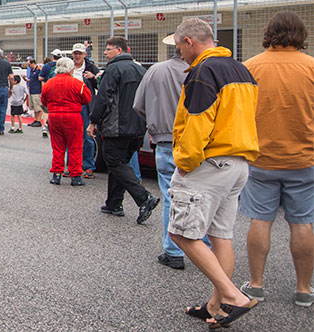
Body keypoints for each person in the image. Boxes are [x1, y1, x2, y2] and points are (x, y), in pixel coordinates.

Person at [168, 18, 260, 329]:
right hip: (238, 162)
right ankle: (217, 305)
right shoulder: (240, 69)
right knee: (221, 235)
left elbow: (198, 121)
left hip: (210, 163)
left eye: (179, 46)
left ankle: (233, 296)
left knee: (180, 232)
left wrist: (185, 160)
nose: (180, 53)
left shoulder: (203, 72)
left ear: (190, 42)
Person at [240, 11, 314, 308]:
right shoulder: (311, 67)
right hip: (304, 158)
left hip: (261, 158)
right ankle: (304, 289)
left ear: (268, 32)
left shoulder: (250, 67)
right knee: (303, 223)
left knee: (260, 219)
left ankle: (256, 285)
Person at [132, 34, 208, 270]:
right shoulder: (205, 71)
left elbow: (138, 105)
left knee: (170, 195)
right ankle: (204, 249)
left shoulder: (156, 70)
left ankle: (173, 250)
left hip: (165, 140)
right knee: (204, 196)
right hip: (200, 142)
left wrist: (156, 125)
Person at [87, 37, 158, 224]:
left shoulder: (113, 69)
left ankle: (143, 198)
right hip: (137, 125)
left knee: (115, 162)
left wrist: (93, 120)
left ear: (119, 50)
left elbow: (104, 96)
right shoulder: (141, 69)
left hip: (117, 125)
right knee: (120, 163)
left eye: (108, 49)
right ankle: (114, 203)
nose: (105, 52)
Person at [42, 57, 91, 186]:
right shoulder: (77, 84)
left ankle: (56, 174)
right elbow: (86, 99)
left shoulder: (48, 84)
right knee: (75, 146)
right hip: (73, 116)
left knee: (57, 147)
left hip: (54, 116)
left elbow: (44, 101)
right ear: (70, 69)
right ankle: (75, 176)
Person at [68, 43, 100, 178]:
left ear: (84, 55)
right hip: (70, 104)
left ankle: (88, 166)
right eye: (75, 53)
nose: (77, 56)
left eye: (80, 54)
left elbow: (99, 84)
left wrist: (93, 78)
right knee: (71, 136)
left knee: (87, 136)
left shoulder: (91, 68)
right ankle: (71, 166)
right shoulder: (67, 67)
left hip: (85, 105)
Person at [24, 58, 45, 131]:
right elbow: (32, 79)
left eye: (29, 64)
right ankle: (36, 120)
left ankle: (38, 120)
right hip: (32, 90)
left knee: (38, 107)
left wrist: (42, 90)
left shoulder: (38, 69)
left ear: (33, 63)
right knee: (34, 107)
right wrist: (26, 79)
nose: (28, 66)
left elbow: (41, 79)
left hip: (37, 91)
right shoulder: (32, 71)